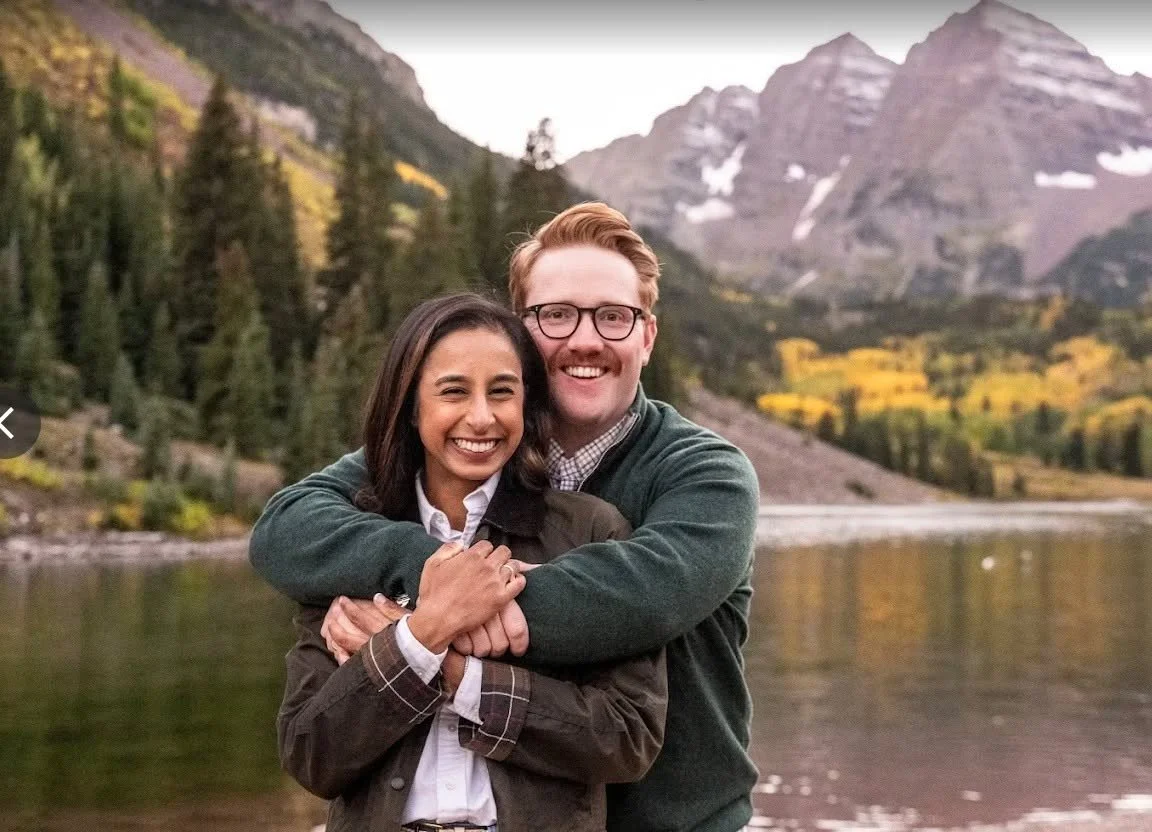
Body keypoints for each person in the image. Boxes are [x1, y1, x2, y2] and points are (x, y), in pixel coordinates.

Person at [252, 202, 761, 831]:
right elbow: (286, 528)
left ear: (647, 337)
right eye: (556, 315)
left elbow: (643, 598)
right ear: (522, 333)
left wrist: (423, 627)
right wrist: (438, 576)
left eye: (613, 317)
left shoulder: (705, 473)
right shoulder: (462, 451)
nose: (584, 339)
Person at [277, 293, 667, 832]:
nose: (481, 417)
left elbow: (628, 739)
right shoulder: (353, 540)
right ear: (411, 406)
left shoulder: (589, 532)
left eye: (502, 392)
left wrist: (436, 664)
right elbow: (311, 756)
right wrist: (429, 630)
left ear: (526, 405)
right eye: (454, 391)